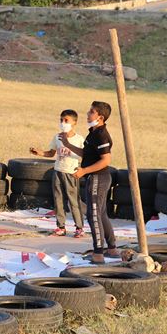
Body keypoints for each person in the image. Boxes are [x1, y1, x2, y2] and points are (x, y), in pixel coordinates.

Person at [60, 101, 119, 264]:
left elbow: (106, 160)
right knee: (100, 213)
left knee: (93, 215)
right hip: (96, 178)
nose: (87, 114)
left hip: (98, 178)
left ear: (100, 117)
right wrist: (67, 144)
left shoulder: (101, 135)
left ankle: (98, 253)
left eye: (92, 112)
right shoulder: (93, 133)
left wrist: (84, 171)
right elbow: (86, 154)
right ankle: (112, 248)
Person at [30, 109, 86, 238]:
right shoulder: (57, 137)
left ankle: (79, 227)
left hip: (71, 173)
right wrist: (39, 153)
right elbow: (51, 153)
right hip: (58, 171)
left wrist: (82, 169)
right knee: (58, 200)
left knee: (73, 201)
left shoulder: (79, 139)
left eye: (66, 120)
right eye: (61, 120)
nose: (63, 123)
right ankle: (61, 227)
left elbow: (84, 154)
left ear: (74, 122)